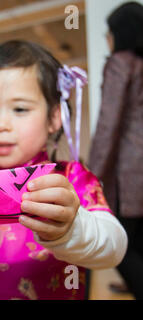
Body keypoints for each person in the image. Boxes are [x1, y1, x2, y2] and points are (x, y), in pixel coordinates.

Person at [0, 40, 127, 300]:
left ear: (55, 117)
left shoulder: (69, 180)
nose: (0, 124)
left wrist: (71, 228)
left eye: (20, 109)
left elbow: (114, 247)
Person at [88, 2, 143, 299]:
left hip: (130, 171)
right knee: (139, 242)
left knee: (116, 247)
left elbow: (109, 125)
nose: (107, 38)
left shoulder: (120, 63)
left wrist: (91, 176)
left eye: (109, 32)